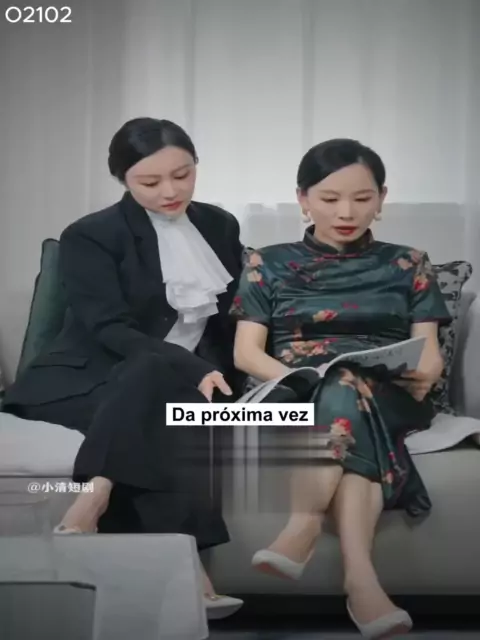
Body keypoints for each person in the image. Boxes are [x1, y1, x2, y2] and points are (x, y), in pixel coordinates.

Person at [2, 117, 244, 618]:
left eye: (183, 174)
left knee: (165, 404)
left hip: (168, 387)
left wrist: (233, 384)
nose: (170, 191)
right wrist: (189, 368)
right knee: (152, 373)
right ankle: (185, 569)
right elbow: (109, 329)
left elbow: (226, 324)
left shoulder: (220, 226)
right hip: (81, 382)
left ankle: (98, 499)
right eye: (150, 182)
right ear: (122, 179)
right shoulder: (90, 235)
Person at [230, 138, 451, 638]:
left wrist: (428, 373)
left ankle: (302, 524)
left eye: (362, 198)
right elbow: (247, 353)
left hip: (391, 393)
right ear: (303, 199)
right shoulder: (268, 262)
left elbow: (428, 348)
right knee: (341, 392)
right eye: (329, 199)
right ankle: (362, 582)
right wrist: (300, 380)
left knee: (347, 386)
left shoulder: (409, 262)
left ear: (381, 198)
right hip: (298, 390)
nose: (346, 212)